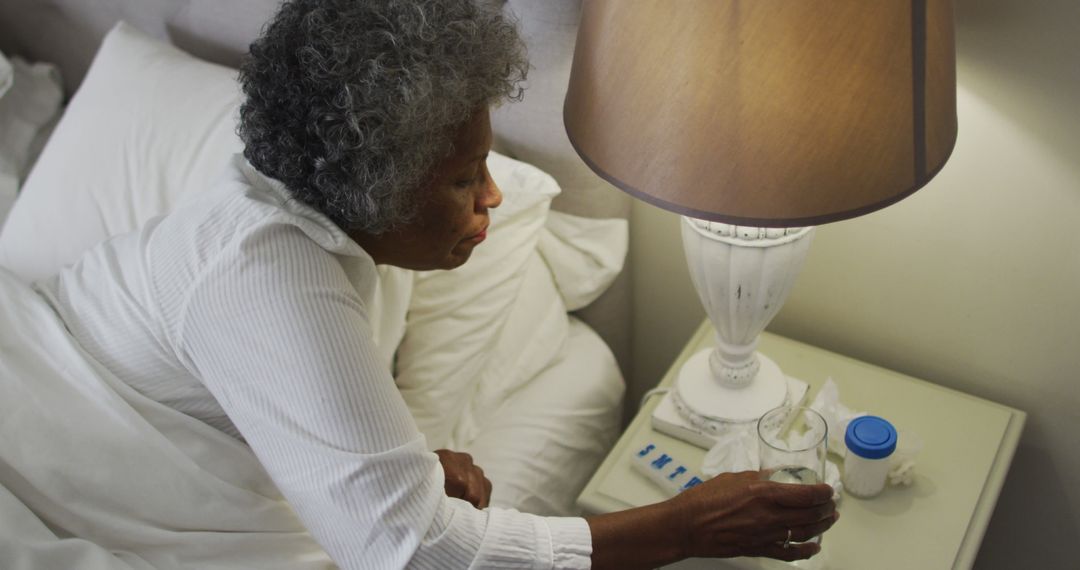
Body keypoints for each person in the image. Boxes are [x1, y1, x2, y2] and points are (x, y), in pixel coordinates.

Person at [35, 1, 837, 568]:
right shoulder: (265, 271)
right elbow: (415, 551)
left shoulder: (325, 218)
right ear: (376, 183)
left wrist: (407, 458)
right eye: (464, 177)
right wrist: (687, 527)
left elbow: (275, 388)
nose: (492, 197)